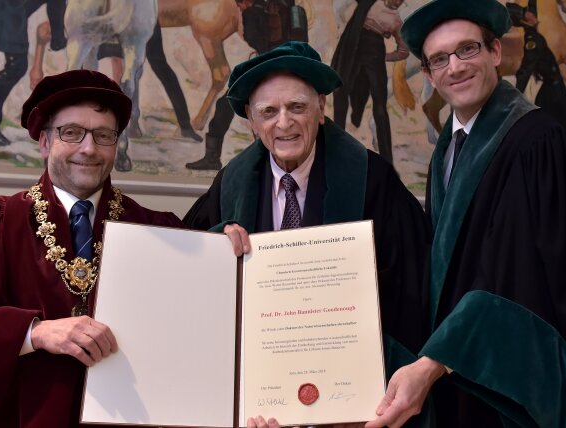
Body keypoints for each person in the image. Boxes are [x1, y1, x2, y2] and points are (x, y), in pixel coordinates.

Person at [363, 1, 566, 427]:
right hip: (464, 377)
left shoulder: (537, 139)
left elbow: (518, 270)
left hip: (520, 379)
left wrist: (433, 362)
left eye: (467, 49)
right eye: (439, 59)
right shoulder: (446, 152)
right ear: (429, 75)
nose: (455, 67)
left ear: (495, 53)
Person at [0, 70, 185, 427]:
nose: (89, 148)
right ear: (44, 143)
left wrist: (228, 243)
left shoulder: (157, 232)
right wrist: (33, 332)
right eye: (71, 133)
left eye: (104, 135)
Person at [183, 41, 431, 426]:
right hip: (261, 401)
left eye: (297, 107)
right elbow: (190, 268)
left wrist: (371, 391)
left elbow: (411, 294)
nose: (284, 123)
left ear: (321, 109)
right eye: (268, 111)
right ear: (250, 119)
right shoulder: (231, 185)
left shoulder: (373, 182)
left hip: (352, 401)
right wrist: (219, 244)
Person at [185, 0, 308, 170]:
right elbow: (302, 43)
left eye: (240, 3)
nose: (239, 6)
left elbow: (254, 40)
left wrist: (249, 13)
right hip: (289, 72)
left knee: (227, 106)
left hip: (265, 70)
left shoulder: (254, 12)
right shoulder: (294, 12)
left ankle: (213, 157)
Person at [508, 2, 566, 200]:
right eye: (529, 14)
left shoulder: (535, 33)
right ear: (526, 21)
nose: (533, 15)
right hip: (554, 95)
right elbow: (525, 71)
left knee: (553, 143)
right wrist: (516, 96)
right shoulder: (532, 41)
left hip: (555, 92)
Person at [331, 0, 409, 163]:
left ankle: (387, 159)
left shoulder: (396, 21)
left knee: (380, 106)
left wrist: (385, 57)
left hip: (375, 51)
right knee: (341, 91)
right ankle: (336, 147)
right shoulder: (371, 2)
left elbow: (403, 51)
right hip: (354, 45)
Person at [0, 0, 66, 146]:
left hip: (10, 11)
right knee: (16, 66)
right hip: (6, 15)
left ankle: (58, 39)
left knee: (16, 66)